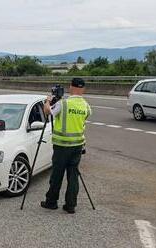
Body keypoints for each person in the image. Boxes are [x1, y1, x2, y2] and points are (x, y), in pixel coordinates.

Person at [41, 78, 91, 214]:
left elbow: (47, 112)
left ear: (70, 87)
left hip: (62, 146)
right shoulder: (86, 106)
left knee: (57, 175)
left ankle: (51, 202)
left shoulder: (63, 104)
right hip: (77, 146)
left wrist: (48, 101)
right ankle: (71, 205)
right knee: (73, 175)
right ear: (83, 89)